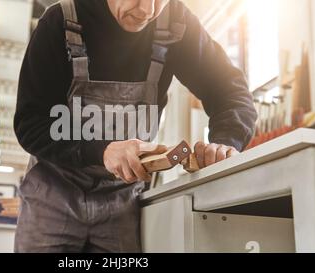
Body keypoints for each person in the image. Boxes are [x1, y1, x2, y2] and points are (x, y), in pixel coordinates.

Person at [13, 0, 257, 253]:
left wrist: (226, 143)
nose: (147, 11)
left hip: (123, 202)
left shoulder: (176, 23)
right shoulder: (61, 21)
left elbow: (231, 93)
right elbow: (31, 124)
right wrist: (103, 151)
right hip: (54, 194)